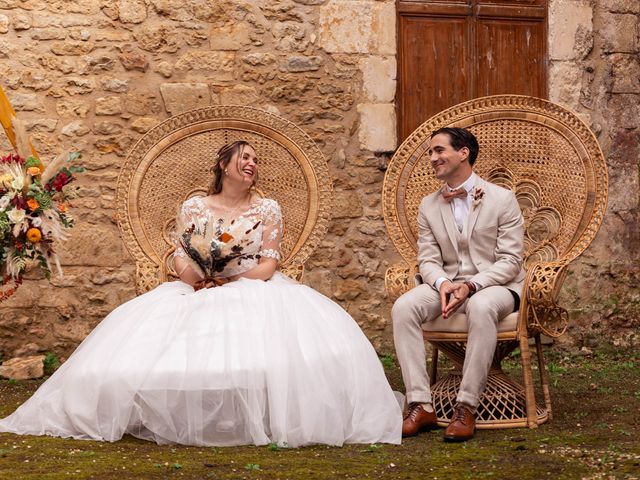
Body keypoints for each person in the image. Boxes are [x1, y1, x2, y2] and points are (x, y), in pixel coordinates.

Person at [0, 140, 402, 447]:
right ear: (223, 165)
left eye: (255, 159)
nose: (251, 163)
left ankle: (246, 416)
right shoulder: (196, 207)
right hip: (196, 286)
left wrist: (233, 279)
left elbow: (269, 263)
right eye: (244, 157)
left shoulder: (268, 209)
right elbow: (180, 255)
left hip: (251, 286)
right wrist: (196, 279)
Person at [392, 127, 524, 442]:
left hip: (495, 286)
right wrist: (441, 283)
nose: (433, 158)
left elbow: (510, 261)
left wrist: (472, 286)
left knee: (479, 306)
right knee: (403, 307)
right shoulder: (428, 205)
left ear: (463, 153)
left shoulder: (502, 199)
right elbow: (427, 259)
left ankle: (466, 407)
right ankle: (421, 404)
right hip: (447, 284)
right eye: (431, 153)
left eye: (439, 151)